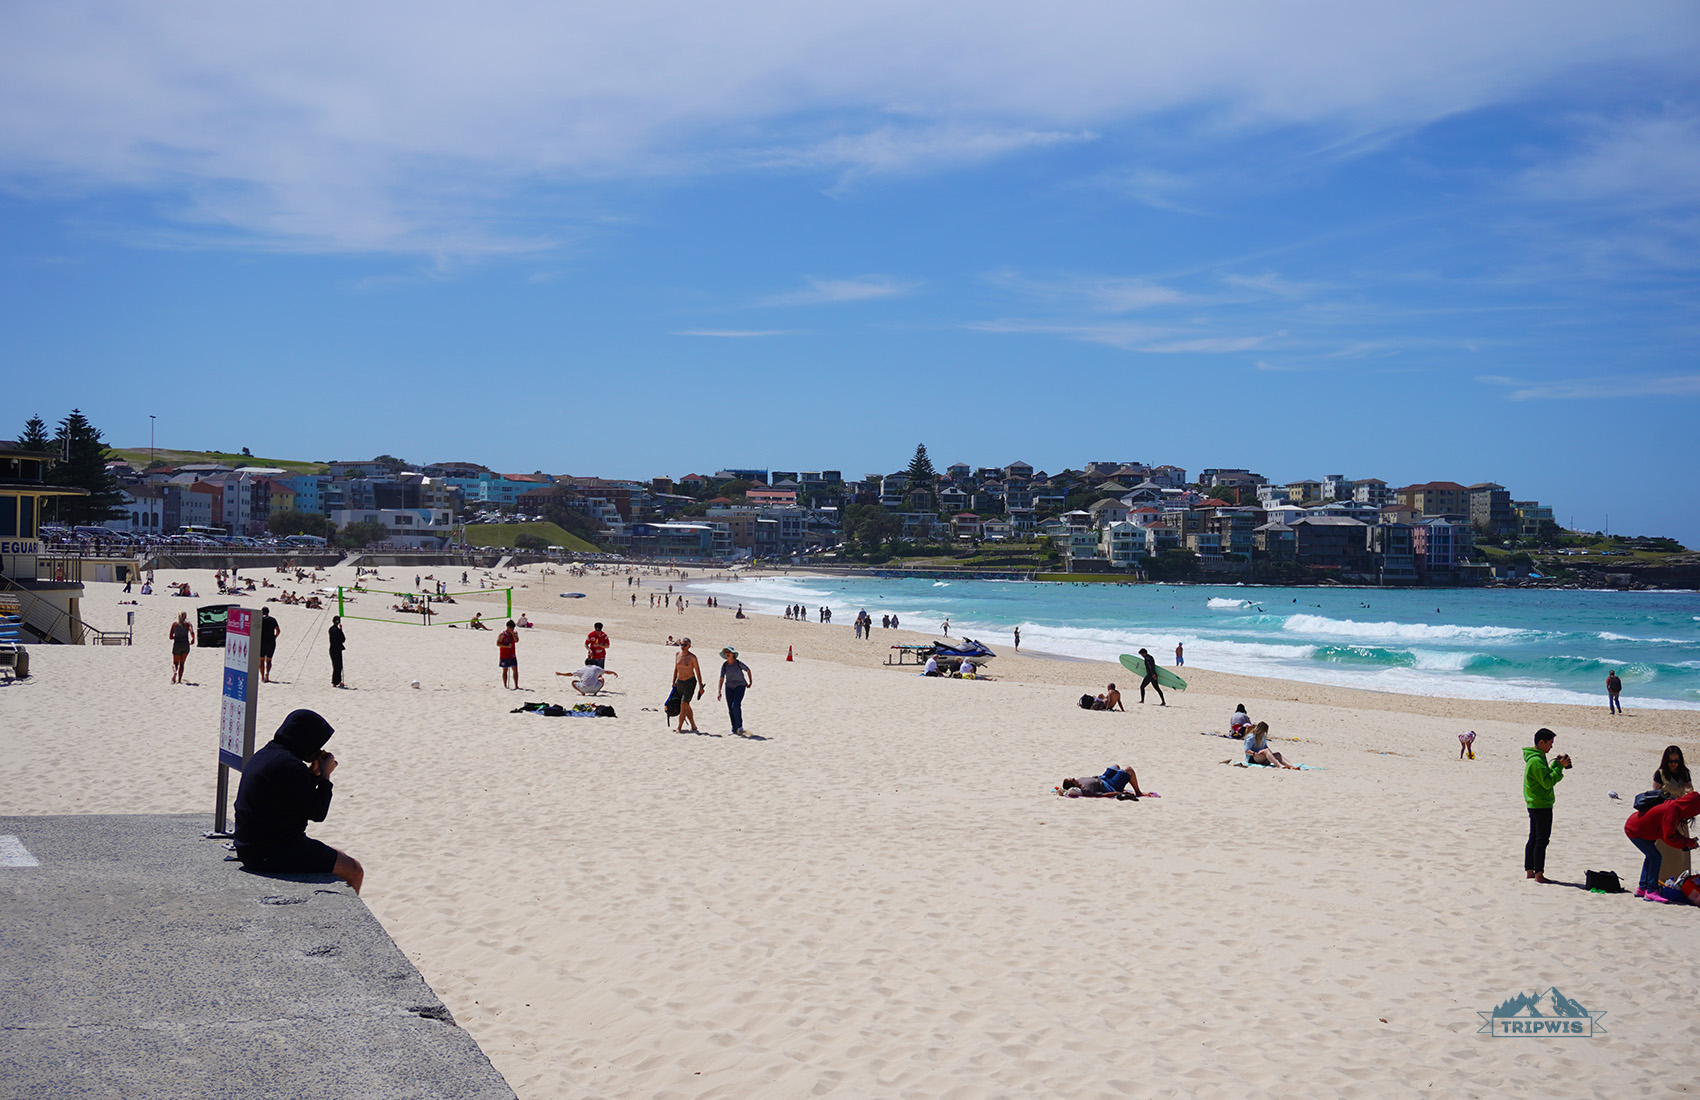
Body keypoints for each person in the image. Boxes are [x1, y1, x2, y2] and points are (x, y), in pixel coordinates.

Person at [232, 709, 364, 894]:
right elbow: (317, 813)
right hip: (273, 852)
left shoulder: (267, 754)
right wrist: (325, 776)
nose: (319, 750)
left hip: (250, 847)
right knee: (354, 869)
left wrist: (313, 775)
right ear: (306, 740)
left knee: (339, 855)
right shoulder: (290, 765)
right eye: (317, 744)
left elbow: (294, 795)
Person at [1625, 791, 1700, 900]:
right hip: (1634, 830)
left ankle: (1642, 888)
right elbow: (1669, 838)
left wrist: (1687, 842)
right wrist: (1688, 842)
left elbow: (1672, 832)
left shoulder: (1674, 806)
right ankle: (1651, 891)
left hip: (1638, 829)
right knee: (1656, 857)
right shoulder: (1672, 811)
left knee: (1651, 856)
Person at [1523, 728, 1570, 884]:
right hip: (1541, 804)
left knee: (1534, 838)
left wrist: (1555, 765)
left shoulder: (1536, 758)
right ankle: (1539, 874)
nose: (1551, 747)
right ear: (1541, 742)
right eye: (1550, 743)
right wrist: (1559, 767)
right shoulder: (1536, 760)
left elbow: (1543, 777)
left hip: (1535, 803)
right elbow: (1548, 782)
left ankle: (1530, 872)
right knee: (1541, 840)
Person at [717, 646, 753, 734]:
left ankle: (739, 726)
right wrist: (719, 691)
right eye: (726, 652)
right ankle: (734, 728)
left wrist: (750, 682)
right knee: (730, 708)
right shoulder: (724, 665)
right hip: (729, 687)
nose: (727, 653)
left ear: (733, 654)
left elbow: (748, 670)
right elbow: (721, 678)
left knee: (735, 706)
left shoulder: (738, 663)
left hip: (740, 686)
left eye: (729, 652)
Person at [672, 638, 704, 733]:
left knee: (684, 704)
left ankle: (679, 727)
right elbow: (676, 669)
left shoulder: (692, 658)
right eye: (681, 644)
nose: (683, 647)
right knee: (686, 704)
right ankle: (693, 725)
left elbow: (698, 672)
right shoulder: (678, 654)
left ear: (689, 646)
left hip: (689, 682)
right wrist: (673, 681)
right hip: (680, 682)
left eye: (685, 645)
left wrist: (701, 687)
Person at [1061, 764, 1143, 798]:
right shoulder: (1086, 790)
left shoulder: (1079, 782)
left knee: (1115, 766)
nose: (1074, 778)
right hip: (1111, 785)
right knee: (1129, 769)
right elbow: (1104, 795)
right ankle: (1138, 792)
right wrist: (1119, 793)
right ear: (1073, 785)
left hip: (1103, 778)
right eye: (1072, 780)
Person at [168, 611, 194, 683]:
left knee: (175, 663)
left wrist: (175, 637)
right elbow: (192, 632)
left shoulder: (174, 624)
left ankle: (174, 673)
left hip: (177, 644)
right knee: (182, 664)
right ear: (185, 617)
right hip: (185, 644)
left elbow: (170, 637)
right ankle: (179, 680)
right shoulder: (188, 624)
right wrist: (193, 639)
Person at [258, 607, 280, 683]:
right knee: (269, 660)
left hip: (262, 641)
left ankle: (262, 677)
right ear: (268, 612)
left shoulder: (259, 619)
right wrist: (275, 637)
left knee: (261, 660)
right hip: (271, 641)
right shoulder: (272, 619)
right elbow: (278, 630)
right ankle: (267, 674)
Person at [497, 619, 520, 689]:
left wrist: (513, 634)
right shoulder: (502, 634)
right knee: (505, 670)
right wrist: (506, 646)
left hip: (512, 654)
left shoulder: (515, 633)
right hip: (504, 655)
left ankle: (516, 685)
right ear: (508, 627)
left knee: (515, 669)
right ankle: (505, 685)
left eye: (513, 628)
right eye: (511, 628)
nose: (512, 629)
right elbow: (498, 643)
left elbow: (516, 640)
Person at [328, 615, 346, 688]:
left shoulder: (331, 629)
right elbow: (343, 639)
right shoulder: (337, 630)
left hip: (332, 649)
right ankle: (336, 682)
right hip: (337, 649)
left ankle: (336, 681)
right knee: (338, 666)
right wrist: (341, 630)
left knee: (336, 666)